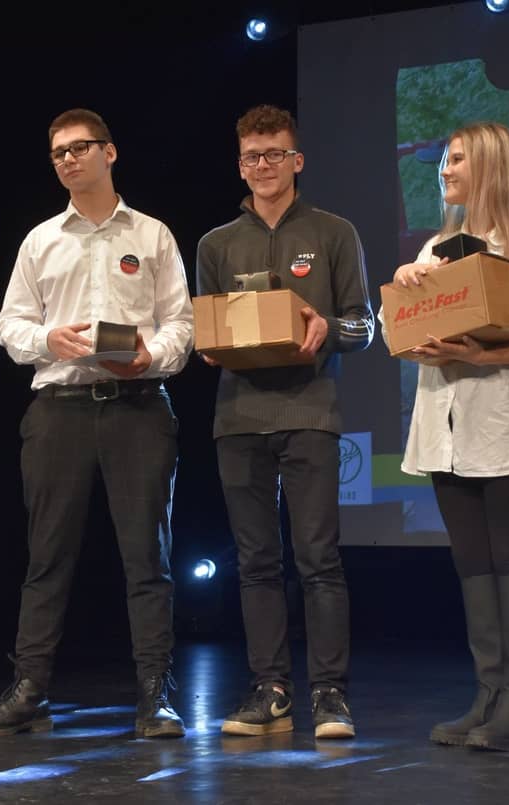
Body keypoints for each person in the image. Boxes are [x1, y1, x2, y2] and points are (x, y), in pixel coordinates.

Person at [0, 109, 193, 739]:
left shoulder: (152, 235)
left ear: (109, 152)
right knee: (47, 556)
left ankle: (154, 694)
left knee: (147, 558)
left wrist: (150, 356)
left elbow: (181, 324)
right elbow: (9, 324)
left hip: (138, 406)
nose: (67, 159)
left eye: (79, 147)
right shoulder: (41, 240)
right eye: (58, 152)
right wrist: (48, 339)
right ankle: (30, 689)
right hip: (59, 408)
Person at [386, 121, 509, 752]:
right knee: (471, 561)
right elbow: (403, 328)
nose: (445, 169)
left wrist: (479, 355)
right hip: (446, 426)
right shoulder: (438, 248)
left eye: (457, 159)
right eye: (446, 159)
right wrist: (406, 290)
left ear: (491, 165)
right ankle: (488, 696)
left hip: (507, 423)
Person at [196, 105, 373, 739]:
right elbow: (207, 328)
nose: (263, 166)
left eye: (274, 154)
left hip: (310, 410)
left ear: (297, 160)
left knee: (318, 558)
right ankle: (270, 689)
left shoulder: (334, 232)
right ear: (239, 164)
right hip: (238, 416)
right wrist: (208, 344)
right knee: (255, 562)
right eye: (252, 156)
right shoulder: (215, 244)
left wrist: (328, 327)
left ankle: (330, 695)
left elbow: (364, 325)